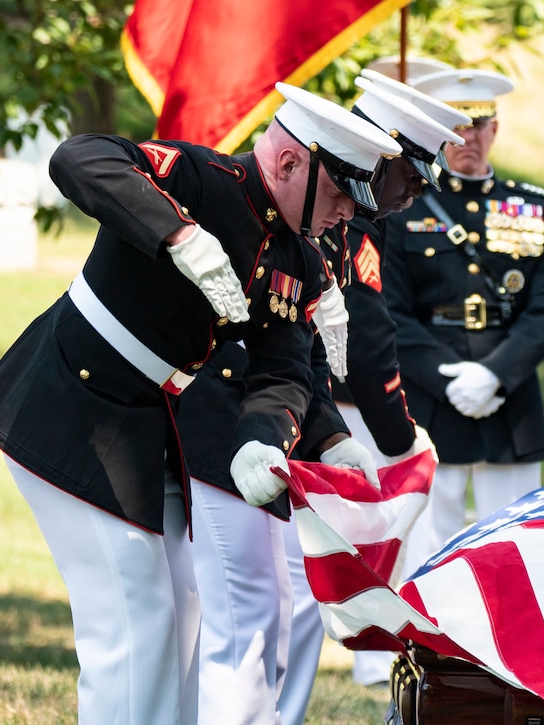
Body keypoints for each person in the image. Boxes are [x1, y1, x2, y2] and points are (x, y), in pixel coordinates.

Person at [0, 82, 401, 723]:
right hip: (70, 408)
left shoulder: (299, 257)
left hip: (146, 431)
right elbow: (78, 159)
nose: (345, 215)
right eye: (339, 194)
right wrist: (175, 232)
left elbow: (282, 373)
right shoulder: (203, 180)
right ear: (288, 165)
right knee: (134, 619)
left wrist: (276, 440)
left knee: (182, 615)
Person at [171, 80, 461, 725]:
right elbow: (362, 348)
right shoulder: (316, 221)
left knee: (266, 606)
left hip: (281, 418)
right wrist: (396, 436)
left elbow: (302, 355)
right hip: (228, 420)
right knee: (250, 609)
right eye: (401, 183)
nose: (401, 203)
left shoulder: (334, 224)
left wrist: (334, 433)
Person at [281, 65, 473, 697]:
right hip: (268, 409)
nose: (413, 197)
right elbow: (367, 336)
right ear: (377, 158)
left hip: (294, 404)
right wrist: (401, 436)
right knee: (277, 599)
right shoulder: (346, 211)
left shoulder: (358, 212)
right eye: (410, 179)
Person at [383, 67, 544, 577]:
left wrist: (494, 373)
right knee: (422, 554)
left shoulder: (533, 209)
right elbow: (392, 314)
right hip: (428, 395)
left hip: (508, 397)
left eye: (479, 125)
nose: (469, 138)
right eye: (457, 127)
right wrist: (447, 375)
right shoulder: (402, 209)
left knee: (510, 554)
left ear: (495, 129)